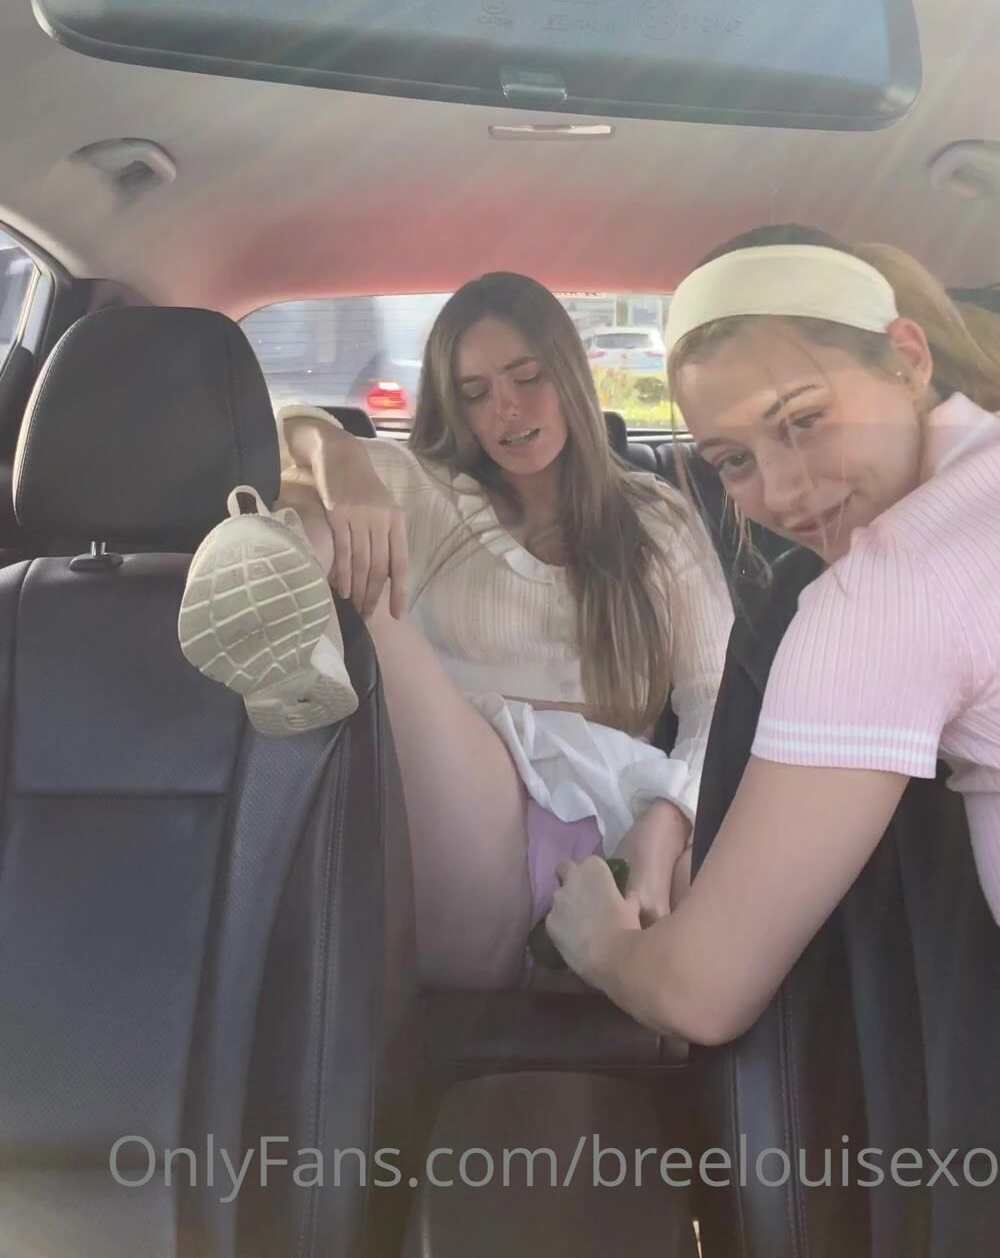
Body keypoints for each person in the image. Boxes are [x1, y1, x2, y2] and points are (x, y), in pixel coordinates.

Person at [545, 225, 1000, 1044]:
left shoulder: (885, 592)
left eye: (802, 420)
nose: (785, 491)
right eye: (733, 460)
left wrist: (601, 941)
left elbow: (700, 994)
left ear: (907, 357)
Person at [178, 271, 735, 990]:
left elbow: (718, 700)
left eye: (526, 377)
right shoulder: (426, 488)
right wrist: (340, 458)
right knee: (325, 529)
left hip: (604, 818)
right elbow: (277, 429)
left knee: (715, 873)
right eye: (474, 393)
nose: (506, 409)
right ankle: (284, 620)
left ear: (569, 372)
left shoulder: (656, 519)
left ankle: (289, 605)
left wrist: (671, 818)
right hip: (444, 809)